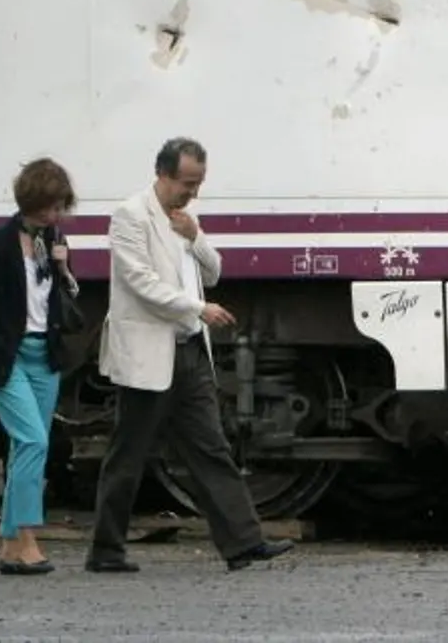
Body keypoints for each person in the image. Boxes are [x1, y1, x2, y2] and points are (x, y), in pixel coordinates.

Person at [86, 137, 295, 573]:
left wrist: (195, 236)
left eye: (198, 183)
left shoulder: (184, 220)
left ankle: (244, 543)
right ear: (162, 174)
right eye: (187, 182)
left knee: (211, 448)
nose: (193, 192)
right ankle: (106, 549)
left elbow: (214, 270)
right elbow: (140, 283)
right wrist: (198, 309)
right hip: (149, 352)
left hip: (189, 351)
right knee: (129, 454)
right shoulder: (130, 216)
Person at [0, 157, 84, 574]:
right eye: (49, 206)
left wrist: (65, 267)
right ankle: (25, 537)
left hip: (43, 357)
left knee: (22, 448)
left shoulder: (53, 240)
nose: (55, 214)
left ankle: (10, 546)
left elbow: (63, 297)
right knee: (34, 441)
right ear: (30, 201)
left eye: (59, 206)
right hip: (5, 357)